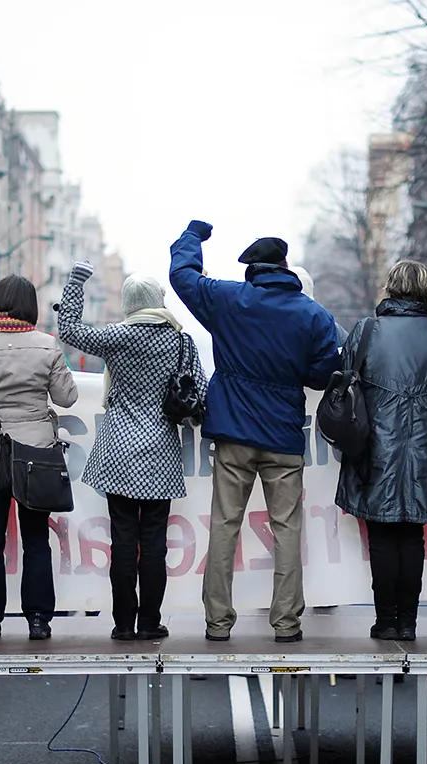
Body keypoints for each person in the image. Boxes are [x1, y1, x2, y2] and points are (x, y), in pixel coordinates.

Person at [169, 221, 341, 643]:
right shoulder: (313, 315)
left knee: (225, 525)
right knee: (287, 529)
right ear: (285, 268)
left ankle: (217, 622)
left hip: (233, 435)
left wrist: (192, 236)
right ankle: (286, 623)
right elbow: (322, 376)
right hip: (283, 437)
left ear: (252, 269)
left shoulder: (227, 299)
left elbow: (182, 276)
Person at [55, 263, 205, 640]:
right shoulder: (181, 342)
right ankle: (150, 622)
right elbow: (200, 394)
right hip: (160, 452)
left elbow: (68, 330)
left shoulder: (116, 336)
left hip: (119, 449)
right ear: (158, 300)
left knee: (123, 540)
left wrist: (76, 283)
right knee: (154, 543)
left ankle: (123, 624)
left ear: (128, 303)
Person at [335, 261, 427, 642]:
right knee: (413, 538)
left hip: (374, 453)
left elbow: (344, 387)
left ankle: (385, 620)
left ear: (390, 287)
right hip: (426, 455)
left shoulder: (367, 331)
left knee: (381, 537)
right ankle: (408, 622)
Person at [0, 275, 78, 640]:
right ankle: (38, 620)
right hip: (35, 453)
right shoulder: (47, 345)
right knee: (36, 539)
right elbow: (67, 397)